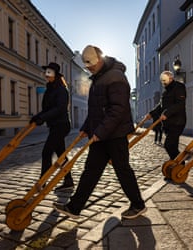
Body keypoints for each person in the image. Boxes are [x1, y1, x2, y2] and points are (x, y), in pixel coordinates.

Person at [54, 45, 146, 219]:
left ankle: (138, 204)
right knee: (91, 170)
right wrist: (86, 128)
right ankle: (74, 207)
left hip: (116, 134)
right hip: (101, 135)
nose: (88, 68)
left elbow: (118, 109)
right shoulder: (99, 77)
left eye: (90, 64)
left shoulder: (116, 77)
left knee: (122, 170)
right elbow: (96, 110)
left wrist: (100, 132)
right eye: (86, 65)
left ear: (100, 59)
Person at [30, 62, 73, 192]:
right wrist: (37, 117)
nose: (46, 75)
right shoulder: (50, 89)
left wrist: (43, 118)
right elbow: (47, 109)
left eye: (49, 73)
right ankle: (68, 180)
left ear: (55, 75)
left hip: (62, 125)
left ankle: (43, 180)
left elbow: (59, 109)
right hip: (55, 125)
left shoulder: (61, 90)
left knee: (47, 152)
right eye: (46, 73)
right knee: (61, 155)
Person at [145, 71, 187, 161]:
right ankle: (175, 167)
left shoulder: (179, 87)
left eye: (164, 80)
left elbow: (179, 104)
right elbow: (161, 106)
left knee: (169, 145)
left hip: (177, 122)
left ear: (171, 78)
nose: (163, 83)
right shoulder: (165, 92)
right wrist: (151, 114)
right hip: (168, 124)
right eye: (162, 81)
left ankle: (180, 164)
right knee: (173, 147)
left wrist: (167, 114)